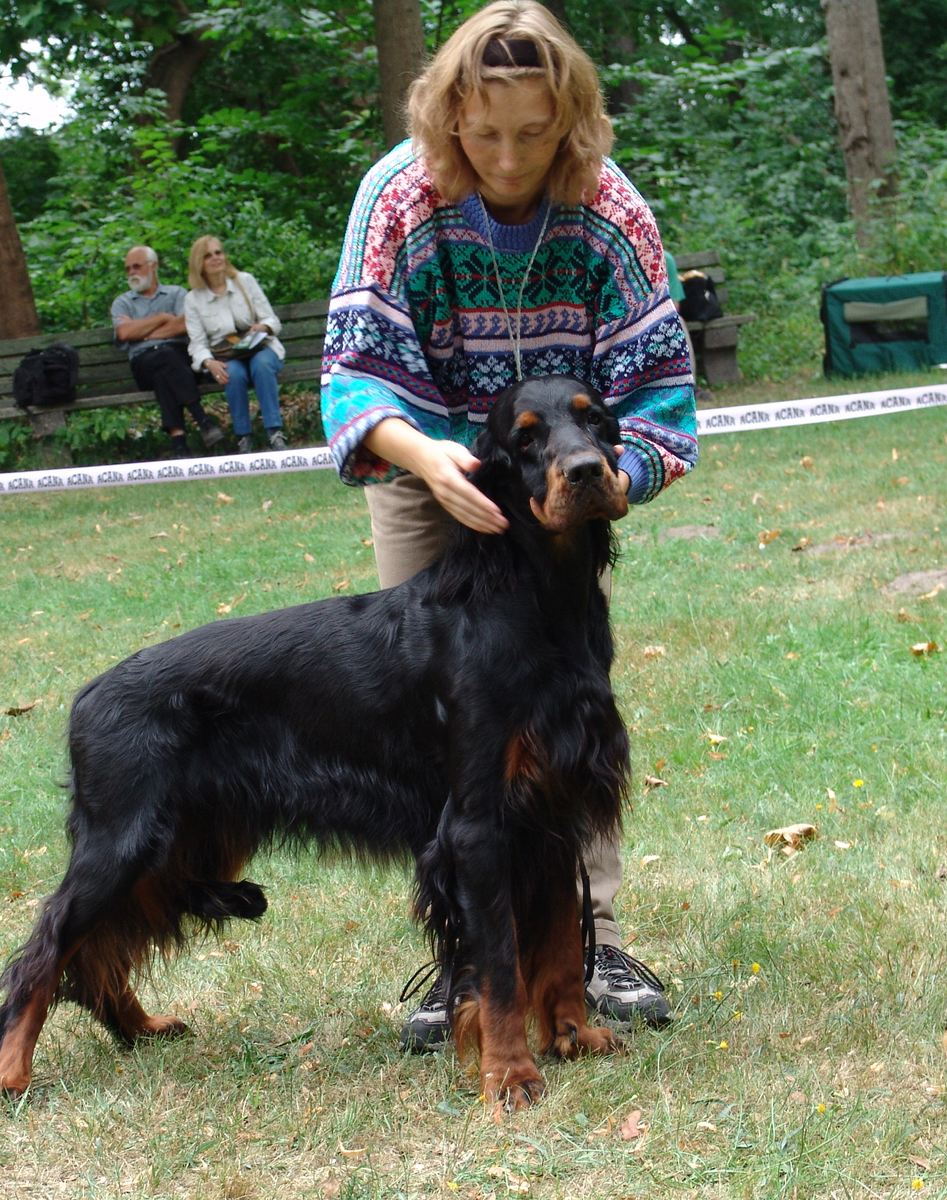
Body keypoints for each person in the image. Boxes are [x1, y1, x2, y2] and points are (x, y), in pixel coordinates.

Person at [321, 0, 698, 1050]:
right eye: (484, 132)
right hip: (427, 467)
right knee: (446, 726)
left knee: (569, 717)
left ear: (570, 120)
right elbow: (351, 376)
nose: (507, 156)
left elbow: (661, 397)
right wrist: (421, 456)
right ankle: (467, 965)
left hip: (564, 484)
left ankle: (590, 942)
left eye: (534, 132)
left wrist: (608, 479)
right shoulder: (397, 198)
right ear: (447, 116)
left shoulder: (611, 211)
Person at [112, 245, 225, 457]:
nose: (131, 272)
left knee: (164, 372)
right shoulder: (123, 302)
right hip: (143, 364)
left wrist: (143, 333)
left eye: (136, 266)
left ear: (153, 266)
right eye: (127, 269)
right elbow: (125, 333)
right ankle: (201, 419)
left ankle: (179, 445)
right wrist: (163, 317)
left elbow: (185, 324)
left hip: (179, 360)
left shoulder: (176, 294)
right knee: (165, 358)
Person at [185, 237, 288, 453]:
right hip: (226, 355)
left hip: (260, 347)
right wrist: (208, 362)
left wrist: (263, 327)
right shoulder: (193, 299)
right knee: (232, 374)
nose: (215, 258)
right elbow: (197, 344)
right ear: (198, 263)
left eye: (218, 253)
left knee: (261, 365)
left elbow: (271, 319)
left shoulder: (245, 281)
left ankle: (274, 432)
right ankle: (244, 437)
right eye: (208, 256)